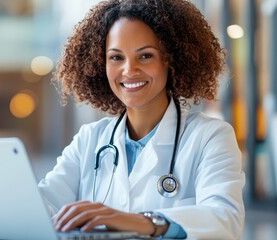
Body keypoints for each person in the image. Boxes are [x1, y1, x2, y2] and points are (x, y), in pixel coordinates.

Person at [38, 0, 245, 239]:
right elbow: (43, 203)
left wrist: (140, 221)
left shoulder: (210, 136)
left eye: (145, 56)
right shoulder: (90, 139)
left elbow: (225, 220)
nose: (129, 69)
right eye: (116, 57)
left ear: (171, 60)